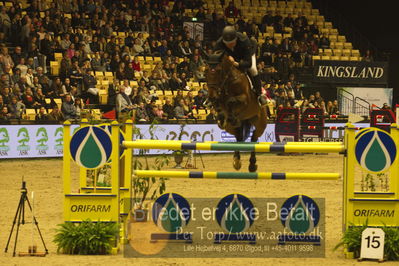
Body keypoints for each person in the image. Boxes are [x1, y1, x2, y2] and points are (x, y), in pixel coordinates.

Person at [214, 26, 267, 106]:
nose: (229, 45)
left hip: (246, 56)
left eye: (232, 43)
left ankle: (259, 94)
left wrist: (236, 63)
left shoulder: (244, 41)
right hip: (231, 57)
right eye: (227, 44)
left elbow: (248, 63)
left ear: (236, 39)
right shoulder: (219, 43)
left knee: (253, 70)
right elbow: (216, 57)